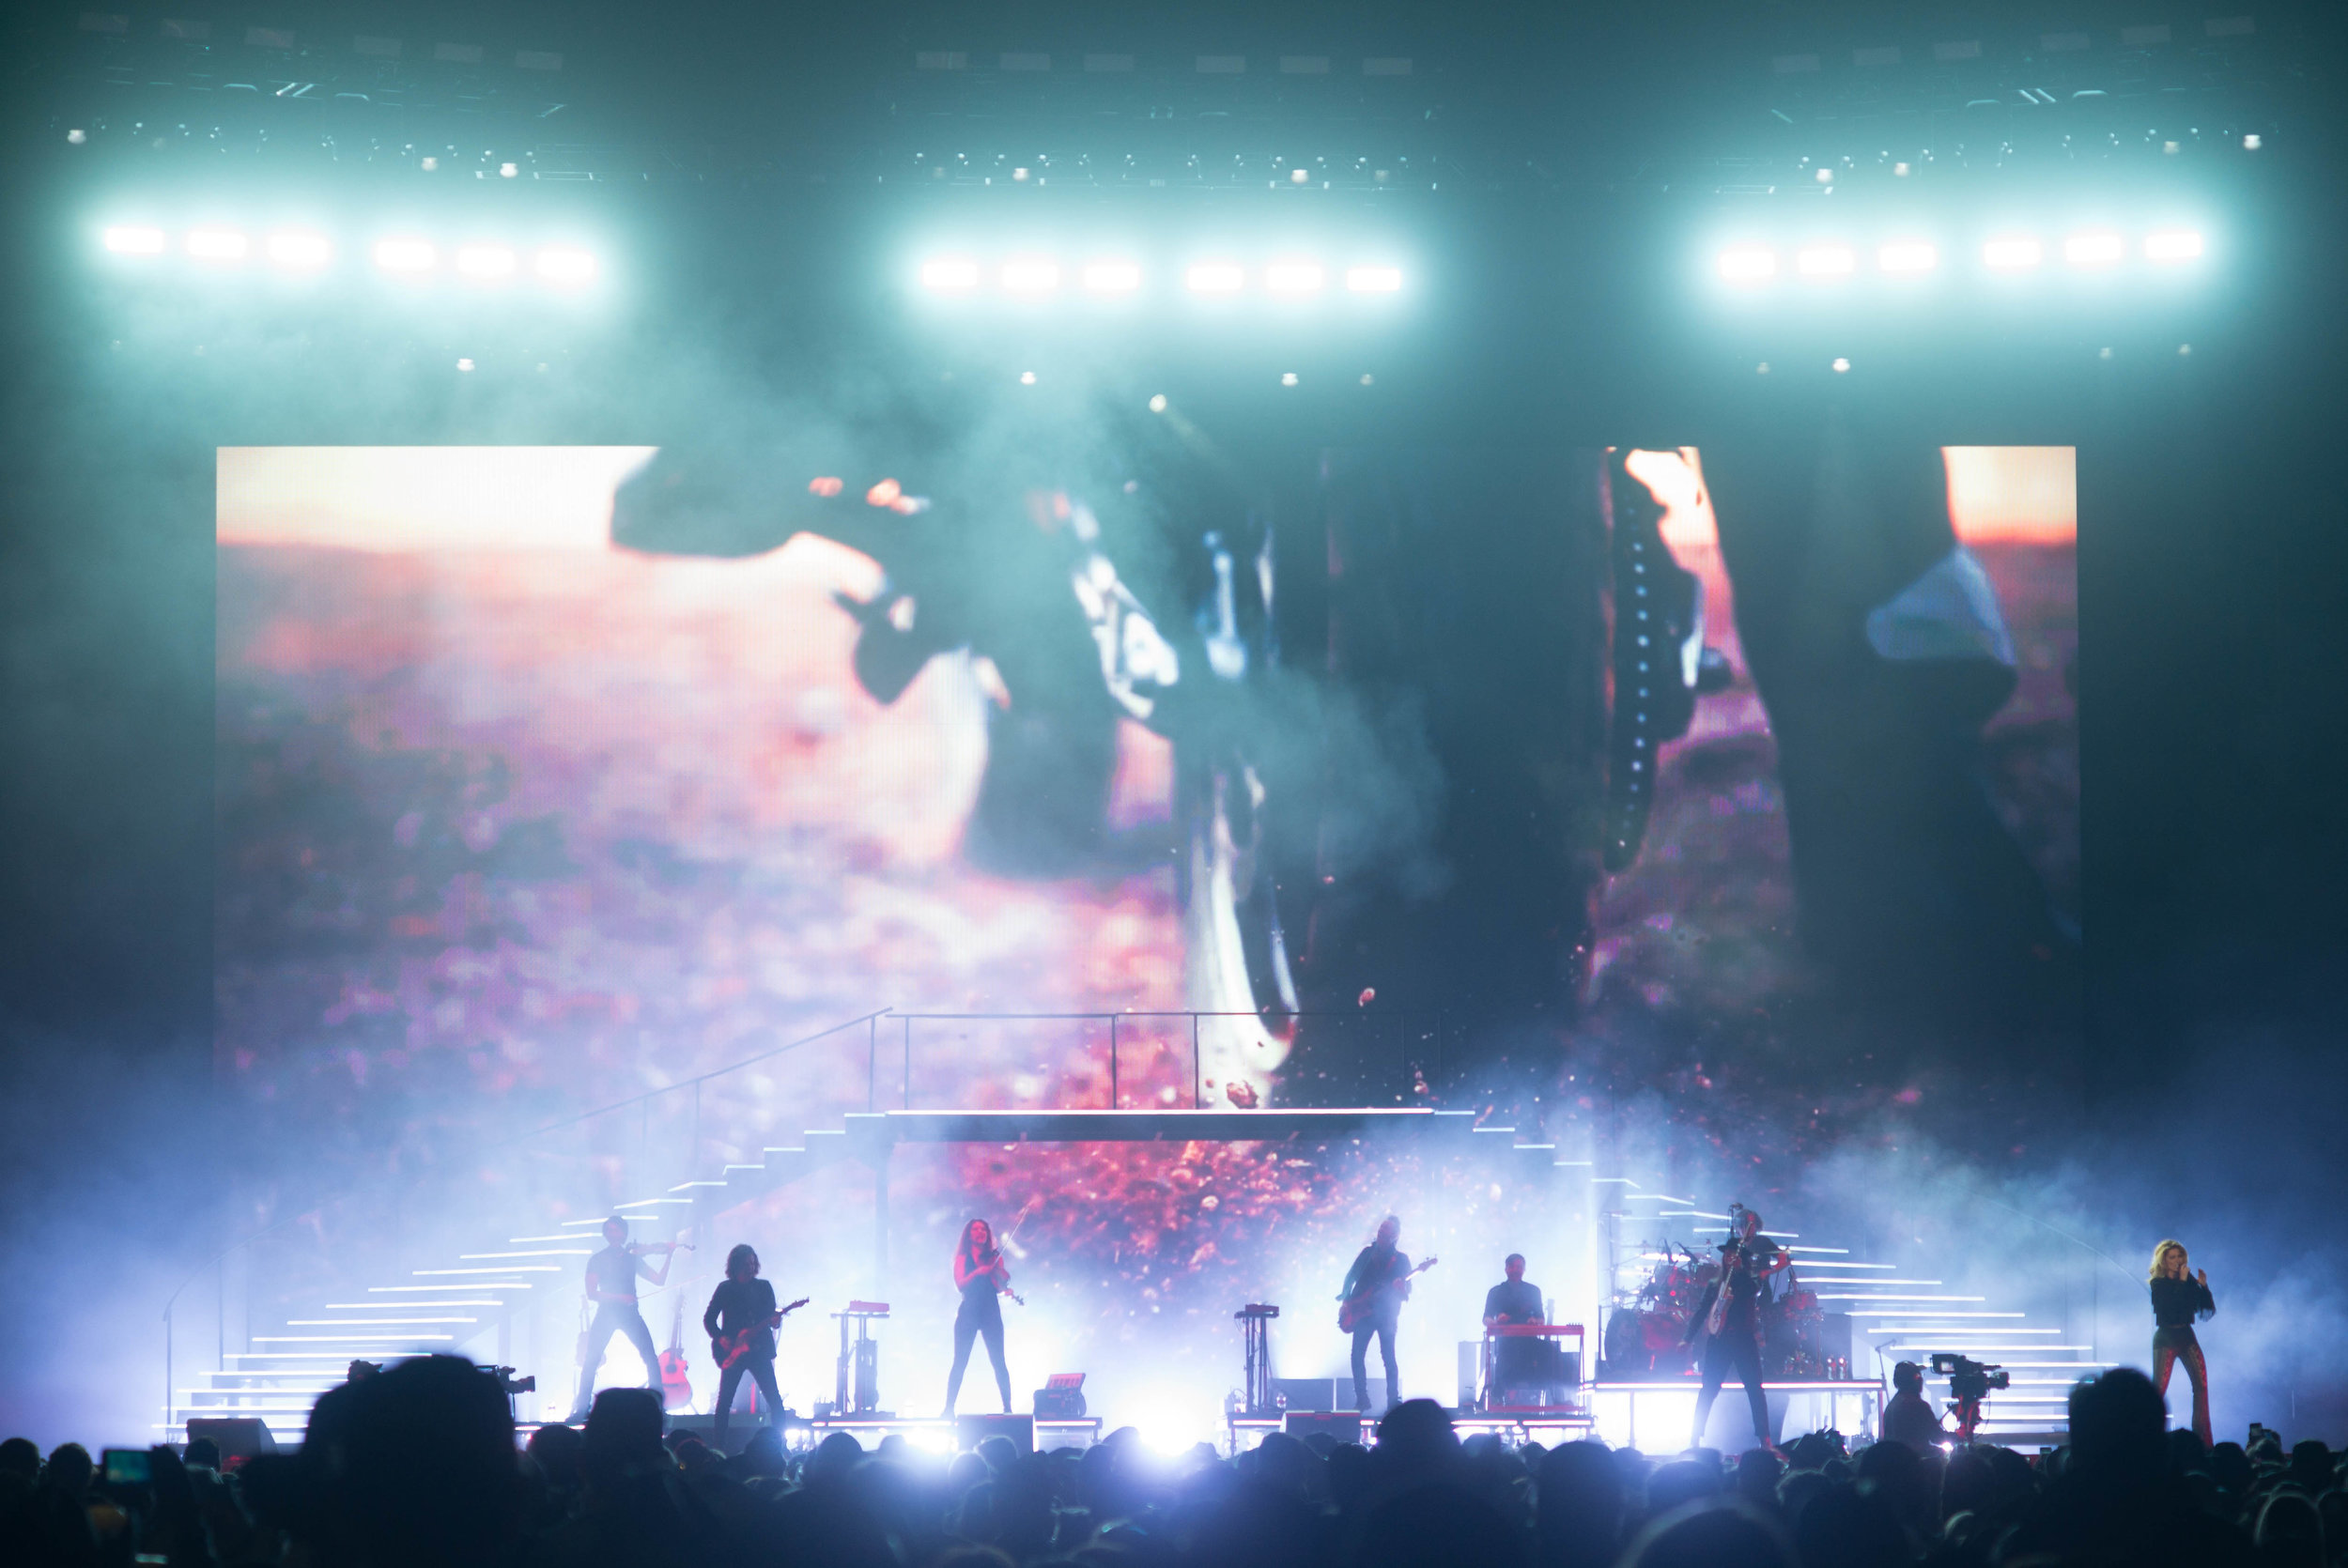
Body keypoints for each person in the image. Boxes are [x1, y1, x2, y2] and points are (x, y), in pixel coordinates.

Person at [568, 1216, 677, 1420]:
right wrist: (620, 1297)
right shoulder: (598, 1259)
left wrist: (669, 1255)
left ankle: (658, 1406)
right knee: (591, 1359)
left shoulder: (632, 1257)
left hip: (629, 1312)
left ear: (624, 1233)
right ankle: (581, 1409)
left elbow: (659, 1280)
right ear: (605, 1234)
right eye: (609, 1230)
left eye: (617, 1230)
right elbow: (592, 1293)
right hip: (607, 1312)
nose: (613, 1234)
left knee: (650, 1357)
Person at [1685, 1234, 1772, 1451]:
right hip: (1720, 1341)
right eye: (1727, 1254)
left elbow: (1754, 1289)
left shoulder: (1749, 1282)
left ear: (1741, 1258)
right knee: (1709, 1389)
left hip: (1743, 1340)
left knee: (1755, 1389)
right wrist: (1686, 1338)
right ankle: (1695, 1438)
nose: (1729, 1257)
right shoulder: (1715, 1284)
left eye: (1734, 1254)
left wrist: (1741, 1276)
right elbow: (1702, 1311)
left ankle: (1765, 1439)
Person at [703, 1244, 784, 1451]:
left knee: (774, 1400)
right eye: (746, 1263)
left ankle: (779, 1445)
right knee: (724, 1403)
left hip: (758, 1351)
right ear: (736, 1264)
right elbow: (709, 1319)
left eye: (752, 1263)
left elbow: (772, 1319)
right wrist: (721, 1338)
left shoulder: (764, 1287)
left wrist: (775, 1321)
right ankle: (718, 1448)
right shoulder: (725, 1289)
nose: (750, 1267)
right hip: (734, 1352)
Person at [1339, 1216, 1413, 1412]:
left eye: (1386, 1229)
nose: (1380, 1231)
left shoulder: (1401, 1260)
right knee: (1356, 1355)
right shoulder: (1367, 1254)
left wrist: (1400, 1288)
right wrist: (1346, 1301)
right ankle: (1362, 1399)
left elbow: (1407, 1292)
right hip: (1363, 1312)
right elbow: (1351, 1276)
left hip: (1386, 1315)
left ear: (1395, 1236)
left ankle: (1392, 1401)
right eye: (1380, 1228)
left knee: (1388, 1357)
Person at [2149, 1238, 2215, 1447]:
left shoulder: (2187, 1280)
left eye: (2179, 1256)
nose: (2177, 1261)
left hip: (2186, 1336)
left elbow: (2204, 1309)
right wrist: (2182, 1282)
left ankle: (2201, 1441)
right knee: (2158, 1390)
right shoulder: (2158, 1283)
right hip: (2166, 1338)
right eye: (2172, 1257)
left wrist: (2202, 1286)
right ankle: (2149, 1438)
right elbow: (2168, 1309)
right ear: (2163, 1260)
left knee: (2201, 1387)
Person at [946, 1218, 1015, 1416]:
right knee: (960, 1360)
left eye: (983, 1229)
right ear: (969, 1234)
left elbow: (1000, 1285)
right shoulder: (962, 1259)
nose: (980, 1232)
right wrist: (978, 1272)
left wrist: (1004, 1286)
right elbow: (960, 1283)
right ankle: (949, 1407)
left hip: (990, 1311)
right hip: (969, 1310)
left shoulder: (995, 1258)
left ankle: (1008, 1409)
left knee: (999, 1361)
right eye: (975, 1229)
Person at [1482, 1253, 1546, 1403]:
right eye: (1512, 1267)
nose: (1516, 1270)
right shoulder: (1495, 1292)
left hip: (1529, 1344)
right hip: (1506, 1344)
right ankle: (1499, 1398)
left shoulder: (1533, 1291)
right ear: (1506, 1269)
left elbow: (1541, 1318)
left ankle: (1535, 1399)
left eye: (1519, 1267)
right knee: (1505, 1370)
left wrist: (1534, 1321)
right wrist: (1497, 1322)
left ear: (1524, 1269)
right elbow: (1486, 1318)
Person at [1881, 1360, 1946, 1455]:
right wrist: (1958, 1437)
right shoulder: (1916, 1405)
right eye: (1918, 1376)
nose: (1921, 1380)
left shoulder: (1891, 1406)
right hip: (1913, 1463)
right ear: (1914, 1381)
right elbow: (1936, 1437)